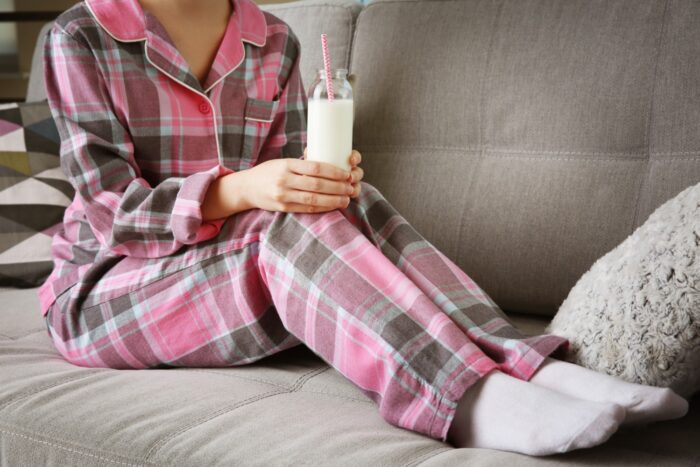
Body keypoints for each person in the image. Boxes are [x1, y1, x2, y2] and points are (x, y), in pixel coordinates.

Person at [39, 0, 689, 457]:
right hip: (107, 292)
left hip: (234, 279)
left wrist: (313, 183)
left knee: (354, 201)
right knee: (278, 230)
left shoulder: (272, 40)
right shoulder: (81, 36)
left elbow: (289, 182)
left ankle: (523, 362)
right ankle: (464, 399)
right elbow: (110, 211)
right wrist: (241, 188)